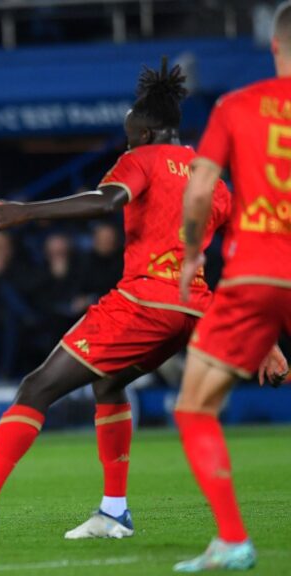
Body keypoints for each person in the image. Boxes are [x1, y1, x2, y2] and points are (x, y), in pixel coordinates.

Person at [0, 59, 287, 542]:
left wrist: (29, 212)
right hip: (193, 310)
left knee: (36, 388)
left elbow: (107, 201)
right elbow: (247, 257)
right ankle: (114, 512)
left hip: (144, 301)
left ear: (146, 133)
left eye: (130, 137)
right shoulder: (216, 181)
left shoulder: (142, 160)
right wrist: (266, 338)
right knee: (108, 386)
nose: (127, 144)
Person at [173, 2, 291, 570]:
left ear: (274, 46)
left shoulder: (237, 106)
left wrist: (193, 253)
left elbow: (198, 192)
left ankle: (233, 540)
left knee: (195, 407)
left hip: (259, 274)